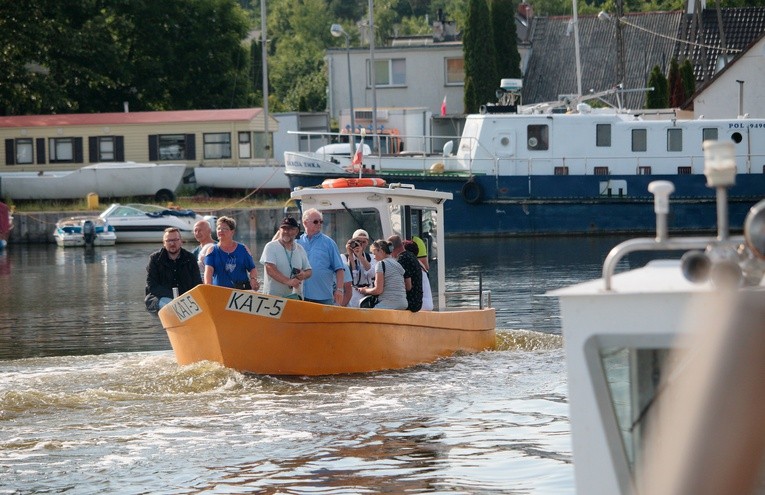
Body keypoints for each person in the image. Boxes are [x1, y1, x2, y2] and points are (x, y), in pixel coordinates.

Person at [144, 227, 202, 312]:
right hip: (160, 298)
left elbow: (197, 283)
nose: (172, 243)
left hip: (186, 299)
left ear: (181, 241)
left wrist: (184, 298)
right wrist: (174, 296)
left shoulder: (190, 258)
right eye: (168, 241)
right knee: (171, 305)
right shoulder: (155, 259)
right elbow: (152, 285)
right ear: (164, 243)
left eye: (175, 240)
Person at [297, 208, 346, 305]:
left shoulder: (329, 243)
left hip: (323, 296)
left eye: (321, 221)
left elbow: (340, 269)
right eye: (316, 221)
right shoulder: (296, 242)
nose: (319, 224)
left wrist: (339, 289)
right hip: (300, 295)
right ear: (305, 223)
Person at [259, 217, 312, 298]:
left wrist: (303, 274)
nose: (286, 232)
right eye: (284, 229)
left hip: (295, 297)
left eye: (290, 229)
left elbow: (309, 271)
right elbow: (270, 269)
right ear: (279, 230)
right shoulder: (271, 246)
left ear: (296, 231)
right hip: (273, 299)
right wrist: (289, 281)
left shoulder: (300, 249)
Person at [204, 216, 260, 290]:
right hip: (220, 291)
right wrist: (208, 287)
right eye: (219, 229)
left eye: (225, 229)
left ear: (232, 232)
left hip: (241, 291)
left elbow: (252, 268)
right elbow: (208, 272)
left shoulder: (243, 249)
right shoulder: (211, 250)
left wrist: (253, 279)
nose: (221, 231)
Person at [357, 240, 408, 310]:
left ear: (381, 251)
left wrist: (365, 290)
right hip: (402, 303)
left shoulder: (380, 264)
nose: (374, 257)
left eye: (374, 253)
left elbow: (378, 290)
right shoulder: (397, 264)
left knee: (365, 316)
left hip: (389, 303)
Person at [388, 235, 423, 312]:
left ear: (391, 248)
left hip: (409, 303)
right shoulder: (411, 256)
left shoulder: (402, 259)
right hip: (417, 302)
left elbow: (408, 286)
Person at [342, 237, 375, 308]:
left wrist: (360, 256)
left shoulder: (371, 257)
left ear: (367, 243)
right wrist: (350, 255)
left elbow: (372, 274)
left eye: (364, 242)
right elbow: (348, 276)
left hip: (367, 292)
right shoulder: (344, 257)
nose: (360, 244)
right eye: (358, 242)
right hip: (353, 292)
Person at [405, 240, 433, 311]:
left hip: (421, 304)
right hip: (428, 303)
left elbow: (408, 286)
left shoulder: (411, 265)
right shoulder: (419, 263)